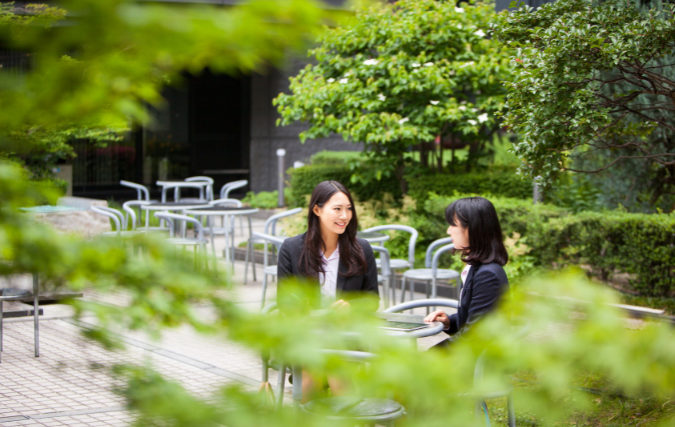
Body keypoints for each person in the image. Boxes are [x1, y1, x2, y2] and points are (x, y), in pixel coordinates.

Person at [277, 180, 379, 400]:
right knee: (315, 368)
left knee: (335, 364)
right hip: (305, 335)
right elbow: (283, 301)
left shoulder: (362, 249)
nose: (345, 216)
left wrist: (350, 306)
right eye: (337, 209)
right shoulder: (292, 249)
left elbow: (372, 300)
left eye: (349, 208)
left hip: (346, 335)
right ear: (317, 209)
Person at [424, 196, 509, 346]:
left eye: (453, 224)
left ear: (473, 228)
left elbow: (473, 337)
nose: (448, 230)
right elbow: (477, 318)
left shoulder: (488, 275)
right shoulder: (479, 267)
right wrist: (449, 322)